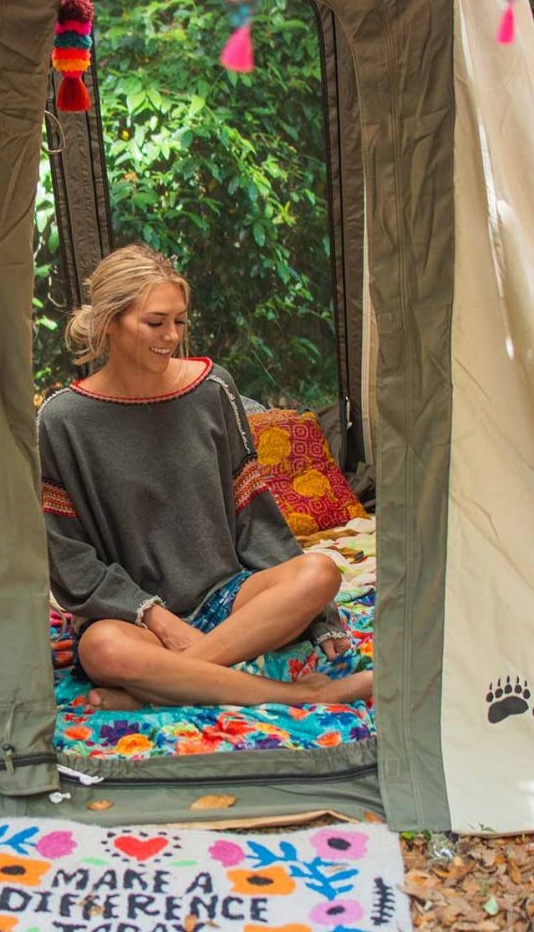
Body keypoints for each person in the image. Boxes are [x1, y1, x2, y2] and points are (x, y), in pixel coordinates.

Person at [37, 244, 372, 711]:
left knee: (318, 573)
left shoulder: (213, 389)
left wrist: (322, 618)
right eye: (155, 322)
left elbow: (254, 516)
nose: (171, 335)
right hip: (135, 620)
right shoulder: (62, 420)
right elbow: (68, 556)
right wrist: (153, 616)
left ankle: (155, 690)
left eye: (180, 321)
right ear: (110, 322)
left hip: (230, 600)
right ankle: (297, 694)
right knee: (101, 649)